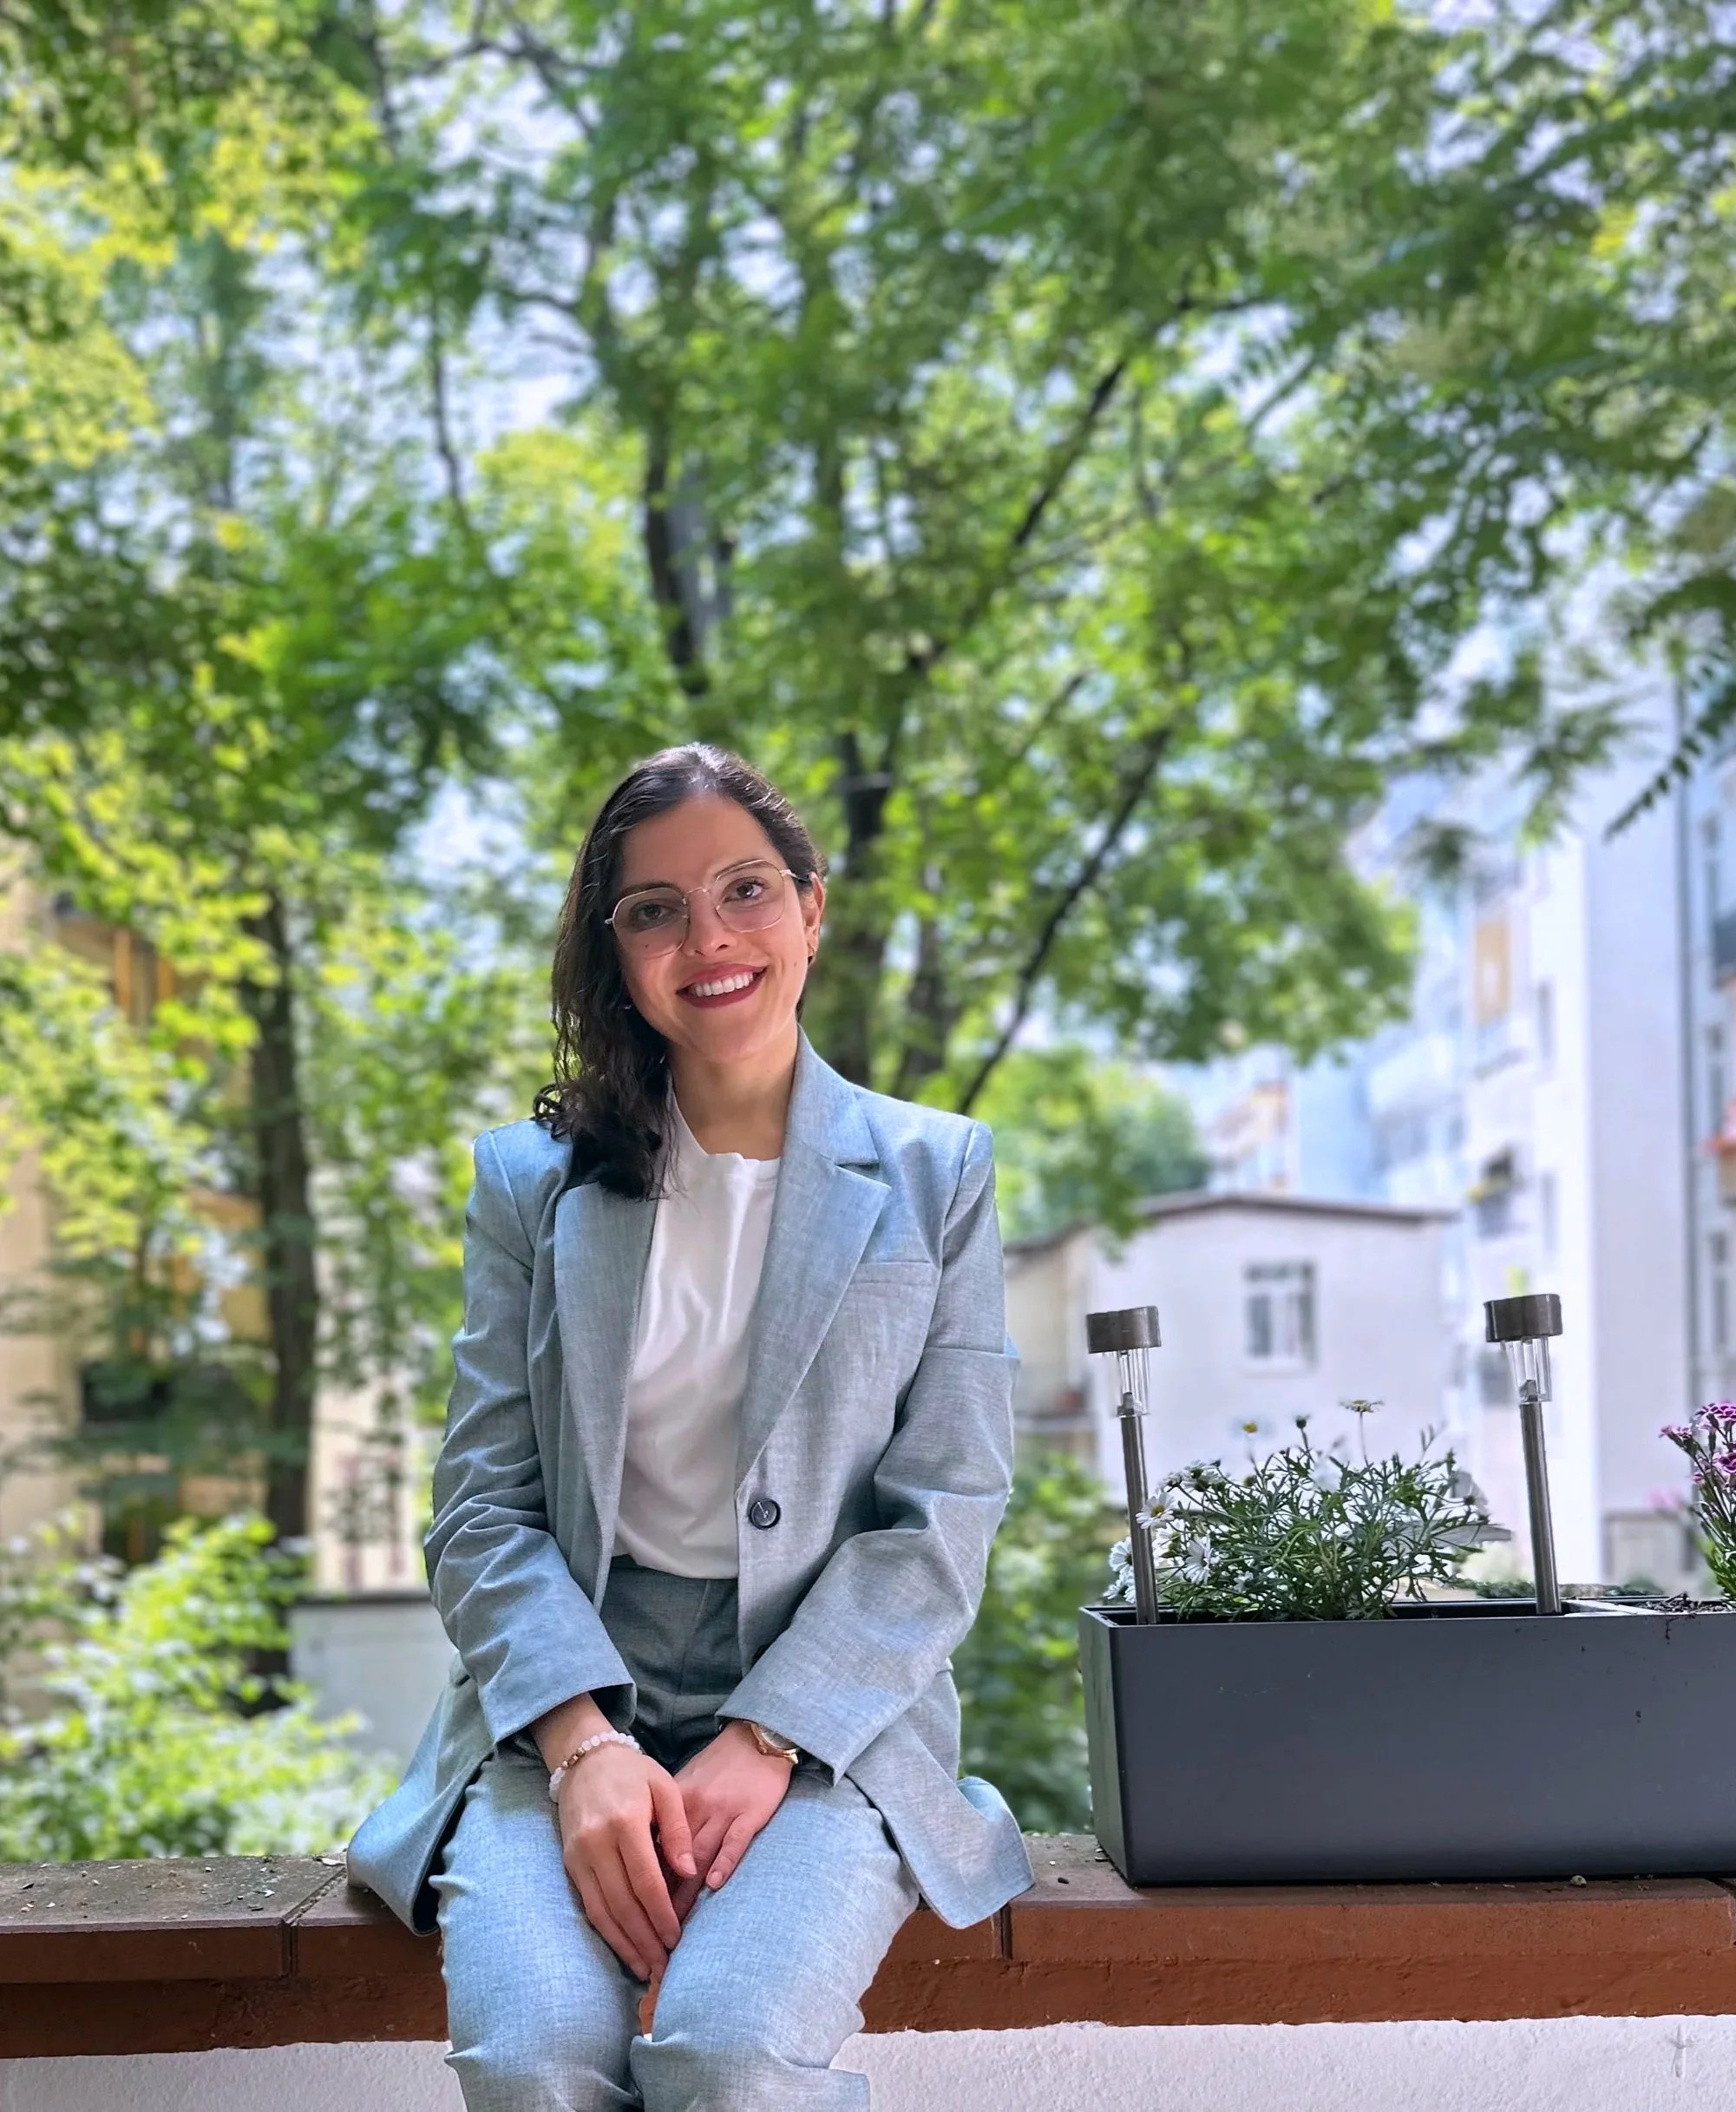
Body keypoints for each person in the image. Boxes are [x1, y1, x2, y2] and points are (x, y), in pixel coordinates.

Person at [346, 742, 1032, 2110]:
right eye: (653, 908)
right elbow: (482, 1506)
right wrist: (583, 1744)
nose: (706, 938)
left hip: (830, 1708)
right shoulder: (530, 1186)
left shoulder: (933, 1173)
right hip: (568, 1698)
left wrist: (770, 1731)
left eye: (744, 889)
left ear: (812, 905)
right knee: (537, 2051)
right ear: (615, 949)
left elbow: (946, 1508)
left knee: (721, 2050)